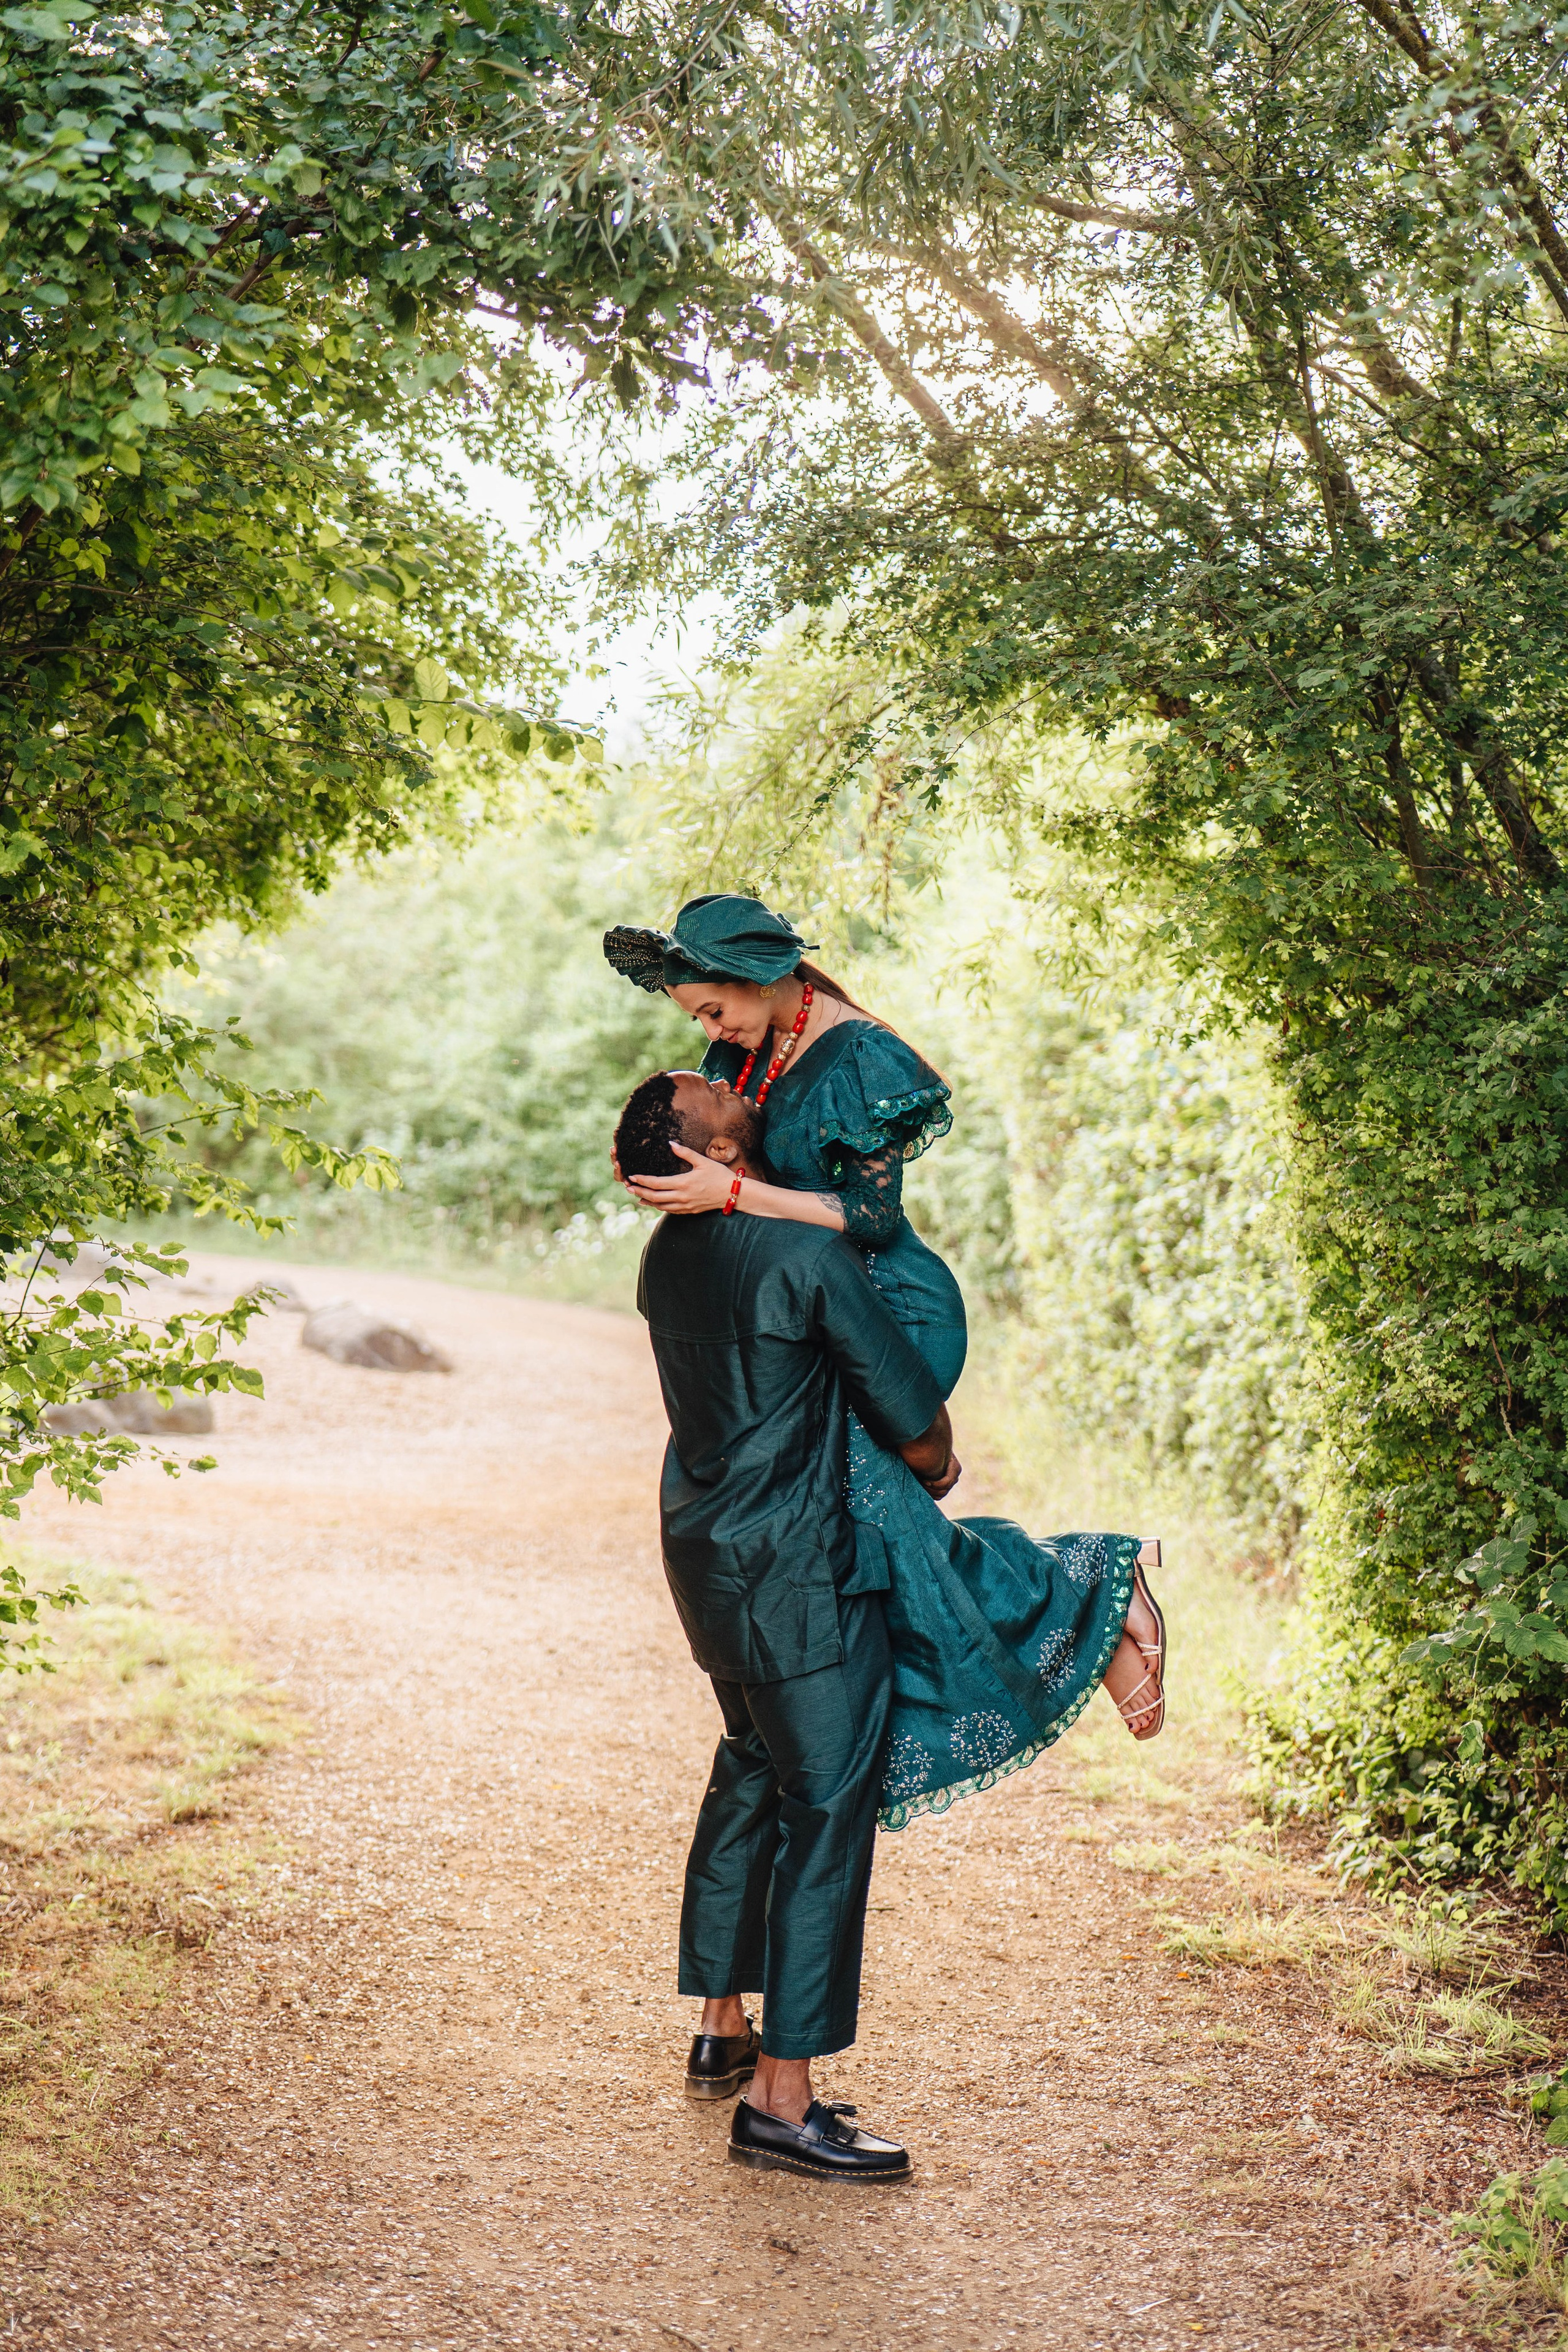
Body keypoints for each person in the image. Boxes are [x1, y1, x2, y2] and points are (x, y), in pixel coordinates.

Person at [604, 895, 1168, 1814]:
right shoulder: (746, 1051)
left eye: (715, 1010)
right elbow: (716, 1163)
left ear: (762, 975)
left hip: (889, 1310)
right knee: (879, 1540)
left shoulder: (864, 1056)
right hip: (810, 1311)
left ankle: (1099, 1592)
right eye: (699, 1019)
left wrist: (733, 1199)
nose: (711, 1032)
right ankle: (1062, 1613)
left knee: (878, 1524)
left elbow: (871, 1220)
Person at [618, 1068, 954, 2182]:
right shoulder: (805, 1257)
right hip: (803, 1569)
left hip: (711, 1557)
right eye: (701, 1091)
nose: (724, 1081)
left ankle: (723, 2025)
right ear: (704, 1150)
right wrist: (937, 1466)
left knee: (751, 1765)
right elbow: (909, 1410)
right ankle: (783, 2101)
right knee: (827, 1806)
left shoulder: (669, 1257)